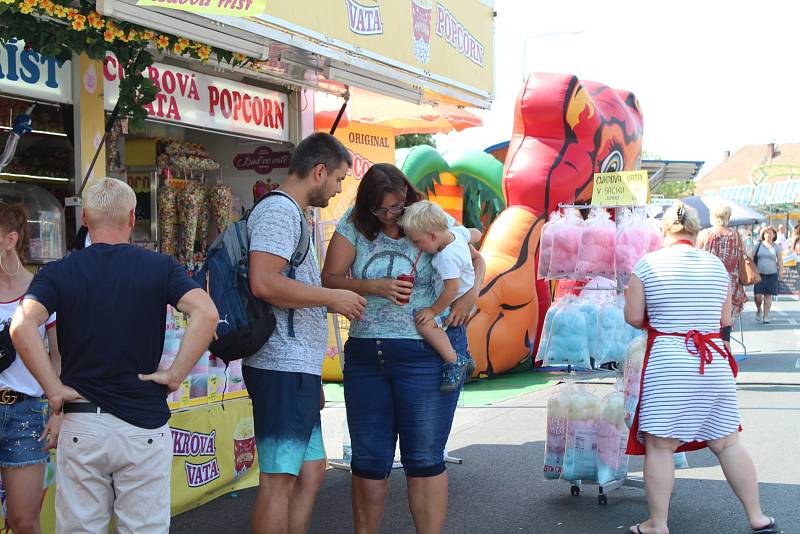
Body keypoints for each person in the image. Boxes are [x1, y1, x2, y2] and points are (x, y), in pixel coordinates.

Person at [10, 178, 219, 534]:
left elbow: (21, 327)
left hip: (83, 422)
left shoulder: (59, 271)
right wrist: (175, 374)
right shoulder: (160, 267)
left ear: (86, 218)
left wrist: (53, 388)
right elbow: (207, 314)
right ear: (132, 217)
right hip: (143, 424)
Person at [321, 163, 485, 534]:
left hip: (425, 356)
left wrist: (470, 297)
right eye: (383, 210)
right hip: (367, 354)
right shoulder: (353, 223)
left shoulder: (427, 217)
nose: (392, 217)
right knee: (368, 461)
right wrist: (376, 286)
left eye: (398, 207)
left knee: (425, 459)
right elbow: (329, 278)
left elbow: (475, 257)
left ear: (409, 199)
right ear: (368, 207)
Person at [624, 201, 779, 534]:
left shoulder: (647, 265)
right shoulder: (715, 266)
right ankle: (757, 517)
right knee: (727, 442)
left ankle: (658, 523)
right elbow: (723, 320)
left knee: (661, 445)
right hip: (712, 360)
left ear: (663, 230)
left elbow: (634, 317)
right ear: (695, 231)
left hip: (669, 362)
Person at [244, 132, 366, 534]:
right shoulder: (280, 212)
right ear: (319, 171)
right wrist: (331, 297)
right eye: (338, 179)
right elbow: (264, 282)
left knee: (311, 470)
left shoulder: (291, 212)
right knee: (279, 479)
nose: (338, 189)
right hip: (281, 365)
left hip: (297, 368)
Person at [0, 203, 59, 534]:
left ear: (10, 240)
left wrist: (58, 409)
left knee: (24, 520)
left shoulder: (41, 290)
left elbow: (60, 358)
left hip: (25, 414)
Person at [398, 200, 480, 392]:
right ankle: (463, 356)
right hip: (464, 294)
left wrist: (432, 310)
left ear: (433, 236)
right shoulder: (458, 234)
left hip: (452, 303)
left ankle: (454, 361)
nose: (416, 246)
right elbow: (476, 233)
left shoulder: (446, 258)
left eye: (418, 242)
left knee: (425, 324)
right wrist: (472, 236)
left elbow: (452, 288)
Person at [697, 202, 747, 351]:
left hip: (707, 285)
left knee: (707, 328)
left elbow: (695, 256)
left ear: (712, 216)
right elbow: (742, 257)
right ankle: (726, 361)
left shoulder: (705, 234)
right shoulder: (736, 235)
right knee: (725, 333)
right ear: (728, 217)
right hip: (730, 286)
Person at [750, 226, 783, 323]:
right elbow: (751, 257)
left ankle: (765, 316)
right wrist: (750, 269)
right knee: (758, 296)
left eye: (771, 233)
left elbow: (780, 260)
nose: (768, 235)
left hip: (772, 274)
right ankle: (759, 309)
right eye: (766, 233)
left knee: (768, 296)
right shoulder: (758, 245)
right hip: (759, 274)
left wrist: (781, 271)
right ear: (763, 235)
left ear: (774, 235)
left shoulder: (777, 247)